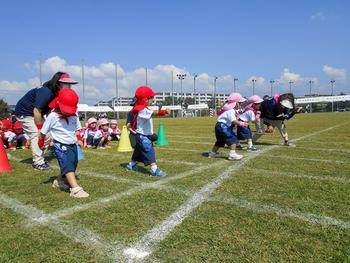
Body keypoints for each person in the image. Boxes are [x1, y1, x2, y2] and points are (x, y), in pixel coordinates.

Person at [15, 72, 78, 170]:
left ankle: (40, 156)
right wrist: (40, 128)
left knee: (48, 135)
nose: (68, 87)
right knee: (36, 134)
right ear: (58, 84)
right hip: (25, 113)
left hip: (36, 113)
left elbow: (48, 110)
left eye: (69, 85)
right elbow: (36, 110)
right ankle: (38, 162)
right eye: (66, 84)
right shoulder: (46, 92)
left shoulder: (56, 94)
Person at [38, 88, 89, 198]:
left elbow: (77, 129)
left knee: (73, 163)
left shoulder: (74, 115)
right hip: (60, 145)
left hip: (73, 144)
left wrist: (79, 138)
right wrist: (41, 143)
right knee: (67, 164)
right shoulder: (53, 116)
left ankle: (59, 181)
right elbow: (42, 132)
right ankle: (75, 189)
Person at [126, 86, 170, 177]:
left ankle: (132, 165)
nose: (153, 99)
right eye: (151, 97)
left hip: (141, 135)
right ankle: (154, 169)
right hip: (142, 136)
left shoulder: (142, 109)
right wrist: (164, 112)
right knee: (149, 150)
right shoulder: (141, 110)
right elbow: (154, 113)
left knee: (138, 151)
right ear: (146, 99)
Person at [207, 92, 247, 160]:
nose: (240, 104)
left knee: (220, 141)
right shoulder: (231, 110)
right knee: (233, 138)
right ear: (235, 103)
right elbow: (233, 121)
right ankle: (232, 154)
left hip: (219, 126)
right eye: (239, 103)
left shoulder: (229, 110)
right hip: (223, 127)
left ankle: (212, 153)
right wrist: (242, 124)